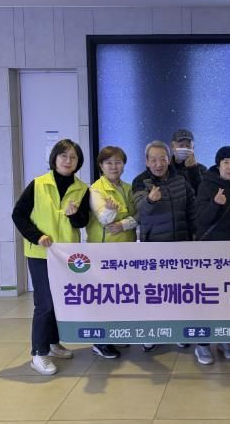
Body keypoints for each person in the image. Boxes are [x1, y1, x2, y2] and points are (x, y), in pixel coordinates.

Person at [12, 139, 90, 376]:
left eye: (73, 157)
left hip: (67, 255)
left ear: (78, 162)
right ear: (54, 158)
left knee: (59, 301)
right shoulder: (38, 184)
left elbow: (82, 222)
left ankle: (53, 343)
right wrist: (37, 236)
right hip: (41, 253)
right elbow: (18, 215)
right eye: (63, 156)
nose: (68, 161)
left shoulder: (82, 188)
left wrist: (74, 215)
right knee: (45, 303)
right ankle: (38, 353)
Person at [132, 140, 197, 353]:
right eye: (153, 160)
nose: (158, 164)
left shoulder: (180, 179)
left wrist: (196, 236)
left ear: (169, 160)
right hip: (155, 248)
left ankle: (178, 332)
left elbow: (192, 209)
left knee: (178, 293)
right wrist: (150, 201)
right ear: (146, 161)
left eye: (163, 159)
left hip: (181, 246)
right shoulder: (140, 181)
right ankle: (151, 333)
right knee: (154, 294)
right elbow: (141, 210)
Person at [193, 146, 230, 364]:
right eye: (226, 162)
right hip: (210, 253)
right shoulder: (207, 185)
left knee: (228, 299)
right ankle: (203, 344)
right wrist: (215, 204)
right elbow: (201, 220)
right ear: (218, 164)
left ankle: (225, 338)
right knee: (207, 299)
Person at [85, 145, 137, 360]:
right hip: (103, 253)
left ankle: (114, 333)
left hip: (126, 249)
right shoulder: (95, 189)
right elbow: (104, 220)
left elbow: (138, 216)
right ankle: (101, 342)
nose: (114, 167)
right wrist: (110, 210)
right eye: (109, 163)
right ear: (101, 166)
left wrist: (124, 224)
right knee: (103, 297)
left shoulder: (128, 187)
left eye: (118, 162)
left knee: (119, 295)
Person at [170, 128, 207, 194]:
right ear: (172, 146)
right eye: (181, 145)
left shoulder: (202, 169)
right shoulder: (166, 169)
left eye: (188, 146)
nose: (185, 148)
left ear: (193, 148)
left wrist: (193, 169)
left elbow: (204, 194)